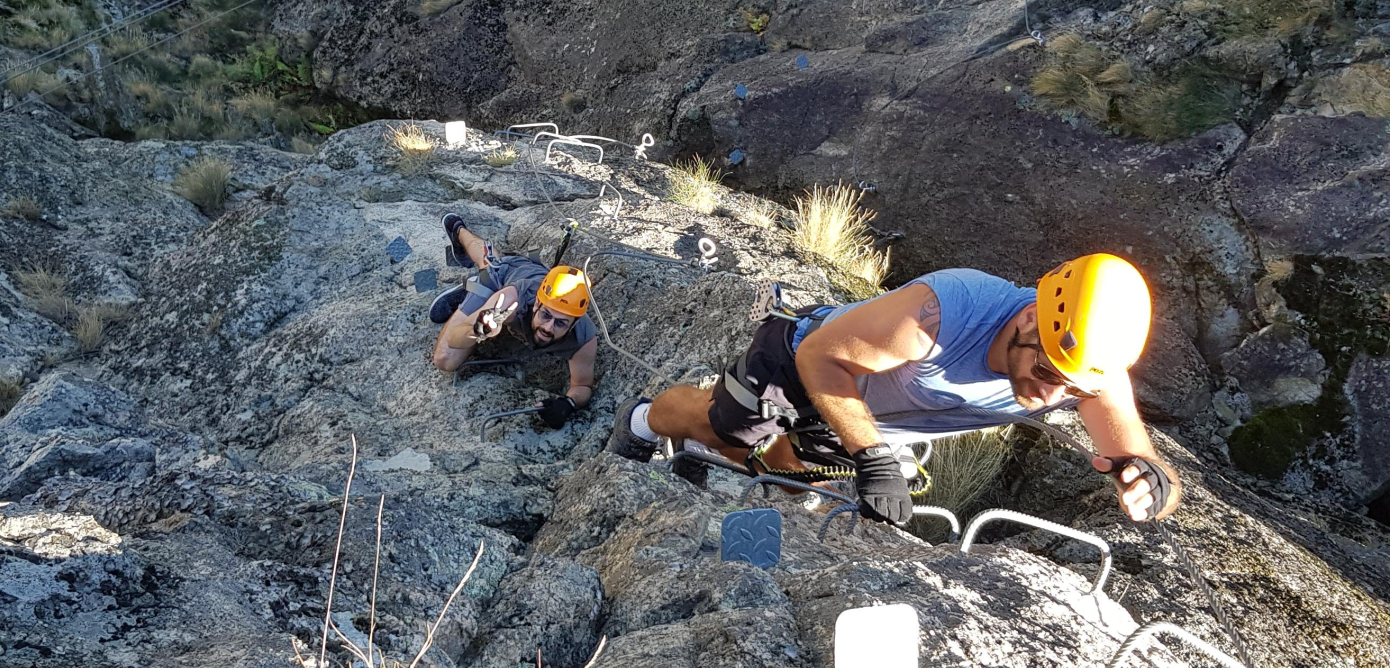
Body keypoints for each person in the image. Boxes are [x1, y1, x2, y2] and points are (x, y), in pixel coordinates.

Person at [606, 253, 1182, 526]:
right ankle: (641, 421)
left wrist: (1152, 483)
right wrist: (875, 458)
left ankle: (745, 458)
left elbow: (1142, 457)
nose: (1049, 394)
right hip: (805, 359)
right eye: (1049, 373)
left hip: (870, 420)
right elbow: (820, 357)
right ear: (1031, 319)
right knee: (719, 429)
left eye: (1071, 390)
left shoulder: (1086, 366)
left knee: (781, 480)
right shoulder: (943, 313)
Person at [428, 213, 598, 429]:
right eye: (546, 315)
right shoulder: (509, 300)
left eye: (561, 323)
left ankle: (473, 292)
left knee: (491, 264)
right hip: (504, 277)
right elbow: (454, 339)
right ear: (536, 304)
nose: (548, 327)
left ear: (574, 323)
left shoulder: (583, 336)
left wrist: (568, 403)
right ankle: (459, 232)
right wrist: (478, 329)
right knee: (446, 360)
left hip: (530, 274)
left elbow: (583, 385)